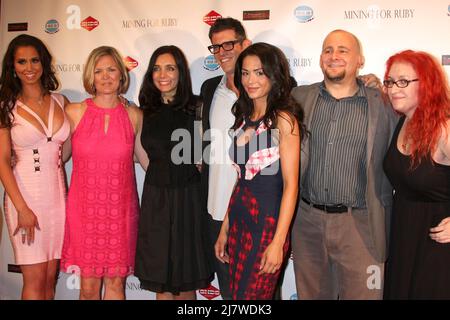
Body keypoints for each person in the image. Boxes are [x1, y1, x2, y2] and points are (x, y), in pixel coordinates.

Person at [291, 29, 397, 299]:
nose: (333, 56)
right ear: (320, 58)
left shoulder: (384, 103)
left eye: (342, 50)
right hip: (307, 224)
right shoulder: (298, 98)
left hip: (361, 225)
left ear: (360, 60)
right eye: (328, 50)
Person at [214, 42, 304, 300]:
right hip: (240, 221)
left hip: (266, 225)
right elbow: (240, 180)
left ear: (273, 75)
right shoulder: (244, 117)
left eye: (259, 72)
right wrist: (224, 228)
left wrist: (278, 242)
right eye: (245, 72)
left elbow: (291, 186)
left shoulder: (284, 120)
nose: (250, 80)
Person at [60, 46, 148, 300]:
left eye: (111, 69)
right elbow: (59, 156)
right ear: (91, 76)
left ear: (121, 75)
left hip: (121, 213)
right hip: (84, 212)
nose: (106, 76)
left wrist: (186, 173)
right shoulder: (74, 112)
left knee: (116, 286)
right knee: (88, 289)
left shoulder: (134, 115)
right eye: (99, 71)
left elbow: (146, 162)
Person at [134, 45, 213, 300]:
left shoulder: (198, 107)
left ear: (181, 72)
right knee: (161, 281)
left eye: (170, 68)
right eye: (156, 68)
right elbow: (144, 157)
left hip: (188, 199)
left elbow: (207, 153)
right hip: (156, 199)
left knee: (184, 277)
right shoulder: (146, 110)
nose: (162, 74)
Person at [0, 34, 70, 300]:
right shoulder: (7, 106)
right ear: (12, 67)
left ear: (43, 62)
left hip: (57, 201)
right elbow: (3, 162)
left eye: (34, 60)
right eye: (21, 62)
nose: (29, 67)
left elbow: (66, 152)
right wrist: (22, 209)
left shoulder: (61, 102)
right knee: (34, 281)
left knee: (50, 280)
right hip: (25, 198)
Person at [382, 50, 450, 299]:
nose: (393, 89)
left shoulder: (444, 128)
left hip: (437, 243)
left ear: (427, 84)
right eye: (390, 81)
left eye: (404, 81)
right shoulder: (404, 120)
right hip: (405, 233)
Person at [200, 17, 252, 300]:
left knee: (260, 296)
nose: (223, 52)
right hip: (217, 212)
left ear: (246, 44)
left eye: (229, 44)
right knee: (231, 294)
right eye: (216, 47)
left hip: (256, 212)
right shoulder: (209, 90)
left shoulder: (270, 86)